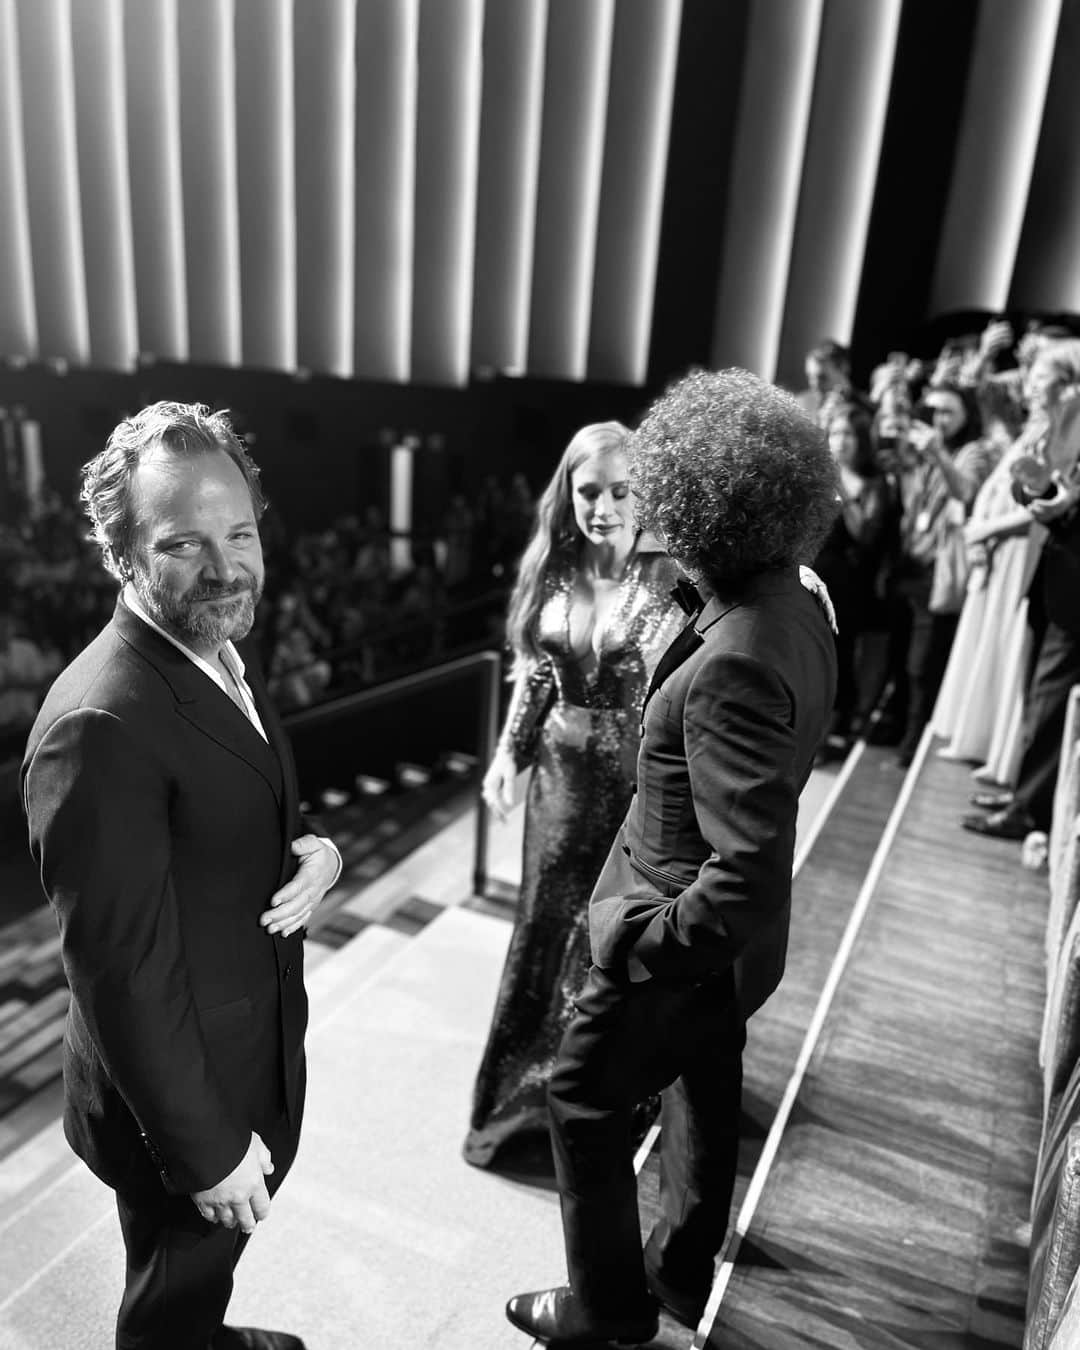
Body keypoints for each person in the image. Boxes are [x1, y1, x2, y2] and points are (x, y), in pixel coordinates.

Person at [504, 369, 838, 1347]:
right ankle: (685, 1271)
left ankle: (612, 1316)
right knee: (707, 1081)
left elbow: (742, 871)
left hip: (673, 936)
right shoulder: (799, 605)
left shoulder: (738, 654)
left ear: (706, 501)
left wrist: (632, 939)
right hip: (737, 958)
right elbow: (706, 617)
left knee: (579, 1096)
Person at [21, 401, 341, 1350]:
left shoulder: (208, 647)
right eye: (183, 543)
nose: (226, 564)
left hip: (236, 1050)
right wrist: (207, 1156)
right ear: (121, 556)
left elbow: (229, 809)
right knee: (171, 1287)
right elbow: (117, 972)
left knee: (198, 1281)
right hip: (179, 1109)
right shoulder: (99, 722)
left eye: (239, 532)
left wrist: (317, 849)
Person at [464, 421, 686, 1170]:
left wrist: (798, 577)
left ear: (644, 493)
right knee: (540, 930)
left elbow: (733, 608)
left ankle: (599, 1104)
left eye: (623, 491)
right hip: (557, 787)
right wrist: (506, 756)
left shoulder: (671, 576)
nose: (605, 507)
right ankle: (517, 1101)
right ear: (568, 493)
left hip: (633, 786)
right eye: (590, 491)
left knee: (610, 944)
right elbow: (534, 677)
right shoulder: (553, 570)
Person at [961, 391, 1080, 844]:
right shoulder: (1070, 409)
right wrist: (1032, 490)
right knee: (1035, 695)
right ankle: (1022, 793)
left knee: (1050, 701)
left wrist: (1071, 503)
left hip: (1074, 583)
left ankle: (1030, 810)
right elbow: (1032, 471)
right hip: (1049, 567)